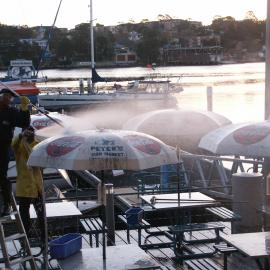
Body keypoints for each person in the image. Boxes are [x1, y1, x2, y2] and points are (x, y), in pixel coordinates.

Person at [0, 88, 30, 216]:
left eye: (10, 97)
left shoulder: (11, 111)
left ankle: (7, 204)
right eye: (5, 96)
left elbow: (24, 123)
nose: (8, 98)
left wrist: (24, 108)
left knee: (2, 176)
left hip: (3, 149)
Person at [12, 126, 45, 242]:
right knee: (24, 215)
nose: (29, 133)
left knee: (41, 214)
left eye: (31, 131)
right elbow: (13, 143)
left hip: (37, 186)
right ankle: (25, 238)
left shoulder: (39, 145)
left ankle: (44, 238)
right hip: (24, 186)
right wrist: (21, 136)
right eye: (26, 132)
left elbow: (42, 163)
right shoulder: (19, 145)